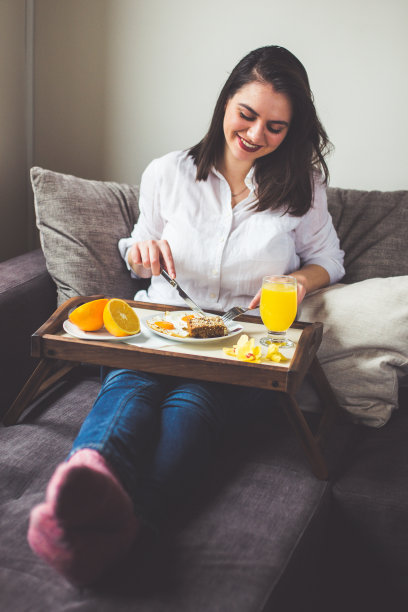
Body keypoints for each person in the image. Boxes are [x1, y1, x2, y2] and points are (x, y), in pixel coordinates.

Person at [27, 45, 344, 586]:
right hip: (161, 325)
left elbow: (329, 261)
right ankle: (81, 487)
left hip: (237, 345)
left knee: (189, 407)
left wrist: (295, 280)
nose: (254, 134)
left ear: (292, 130)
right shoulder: (169, 172)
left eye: (275, 126)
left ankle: (135, 523)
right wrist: (141, 252)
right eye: (246, 115)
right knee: (129, 391)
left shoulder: (303, 189)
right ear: (225, 102)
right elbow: (139, 243)